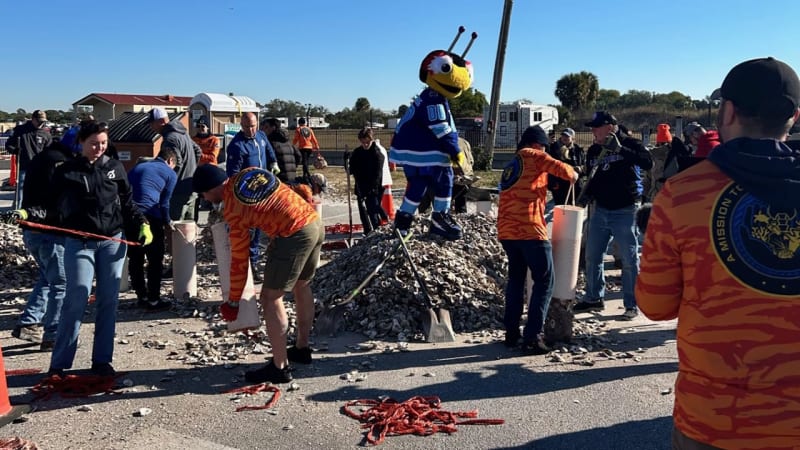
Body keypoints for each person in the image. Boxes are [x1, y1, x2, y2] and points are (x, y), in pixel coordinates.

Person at [636, 57, 800, 449]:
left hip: (716, 418)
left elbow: (655, 305)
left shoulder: (681, 194)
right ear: (793, 117)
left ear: (727, 111)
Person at [8, 120, 152, 377]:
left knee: (108, 302)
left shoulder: (115, 167)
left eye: (104, 143)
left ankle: (102, 362)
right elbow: (51, 207)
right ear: (81, 143)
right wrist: (27, 212)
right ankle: (60, 364)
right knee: (76, 298)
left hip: (112, 243)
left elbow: (128, 204)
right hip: (80, 243)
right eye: (94, 143)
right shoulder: (66, 171)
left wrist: (143, 224)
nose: (99, 148)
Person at [192, 165, 324, 384]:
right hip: (313, 222)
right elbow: (292, 189)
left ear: (212, 189)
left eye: (204, 193)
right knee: (303, 285)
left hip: (292, 234)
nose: (205, 198)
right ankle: (302, 348)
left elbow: (240, 260)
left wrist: (233, 302)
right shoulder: (250, 172)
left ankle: (280, 367)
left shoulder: (234, 209)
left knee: (270, 298)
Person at [497, 126, 577, 353]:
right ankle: (532, 336)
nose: (545, 150)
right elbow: (566, 171)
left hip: (507, 231)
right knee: (544, 281)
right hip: (530, 230)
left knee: (515, 280)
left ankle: (511, 333)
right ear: (536, 144)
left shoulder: (513, 163)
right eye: (543, 146)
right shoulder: (534, 155)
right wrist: (574, 171)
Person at [388, 30, 474, 240]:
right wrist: (455, 152)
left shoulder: (428, 97)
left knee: (418, 185)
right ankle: (440, 219)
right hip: (426, 152)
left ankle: (403, 222)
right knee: (445, 179)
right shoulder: (434, 100)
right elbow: (442, 129)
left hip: (414, 152)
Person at [572, 111, 653, 320]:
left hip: (626, 209)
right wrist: (585, 196)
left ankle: (631, 304)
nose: (592, 131)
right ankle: (593, 297)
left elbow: (647, 163)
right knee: (592, 255)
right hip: (600, 210)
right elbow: (595, 178)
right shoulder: (594, 150)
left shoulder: (631, 144)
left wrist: (620, 149)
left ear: (610, 127)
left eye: (596, 127)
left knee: (628, 259)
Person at [1, 141, 73, 351]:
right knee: (60, 283)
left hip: (33, 231)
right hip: (48, 232)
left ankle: (29, 322)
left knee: (47, 278)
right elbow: (57, 200)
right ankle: (52, 334)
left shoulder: (39, 160)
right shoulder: (59, 163)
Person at [226, 112, 279, 282]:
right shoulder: (237, 145)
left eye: (254, 125)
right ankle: (251, 264)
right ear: (241, 126)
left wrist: (274, 163)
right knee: (252, 229)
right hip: (250, 193)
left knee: (266, 226)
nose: (251, 129)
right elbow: (233, 174)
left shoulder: (261, 136)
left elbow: (269, 152)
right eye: (247, 126)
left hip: (266, 188)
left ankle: (267, 258)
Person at [126, 148, 178, 311]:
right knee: (155, 259)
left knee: (135, 258)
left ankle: (141, 296)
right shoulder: (170, 174)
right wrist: (167, 221)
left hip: (130, 216)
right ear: (170, 161)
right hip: (150, 216)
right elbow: (164, 202)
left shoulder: (137, 167)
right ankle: (154, 300)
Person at [147, 107, 200, 223]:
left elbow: (176, 163)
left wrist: (167, 183)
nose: (151, 127)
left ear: (161, 121)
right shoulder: (183, 133)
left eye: (152, 124)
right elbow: (198, 151)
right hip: (191, 187)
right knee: (189, 230)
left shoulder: (170, 139)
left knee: (176, 229)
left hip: (177, 192)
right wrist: (191, 170)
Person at [5, 110, 53, 208]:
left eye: (43, 121)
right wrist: (15, 150)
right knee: (21, 191)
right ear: (33, 119)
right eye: (39, 121)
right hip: (24, 166)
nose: (41, 123)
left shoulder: (46, 134)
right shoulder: (20, 130)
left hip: (40, 168)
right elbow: (8, 144)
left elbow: (49, 151)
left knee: (39, 191)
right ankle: (17, 212)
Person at [350, 127, 389, 234]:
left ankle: (377, 230)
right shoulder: (357, 152)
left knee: (373, 210)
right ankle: (367, 231)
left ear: (371, 140)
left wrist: (372, 189)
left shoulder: (377, 154)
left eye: (367, 142)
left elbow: (377, 174)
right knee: (363, 210)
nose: (365, 145)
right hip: (360, 186)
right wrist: (347, 161)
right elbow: (351, 170)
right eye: (363, 142)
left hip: (374, 187)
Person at [547, 128, 585, 206]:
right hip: (559, 184)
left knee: (573, 207)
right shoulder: (554, 148)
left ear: (572, 138)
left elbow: (584, 165)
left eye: (567, 136)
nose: (564, 138)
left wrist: (580, 169)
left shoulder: (577, 149)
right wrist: (547, 144)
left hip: (574, 184)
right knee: (560, 208)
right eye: (563, 135)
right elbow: (548, 162)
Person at [261, 117, 301, 183]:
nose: (263, 129)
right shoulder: (288, 142)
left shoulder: (271, 143)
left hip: (279, 178)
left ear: (273, 128)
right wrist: (292, 167)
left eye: (266, 127)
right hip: (292, 176)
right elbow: (299, 156)